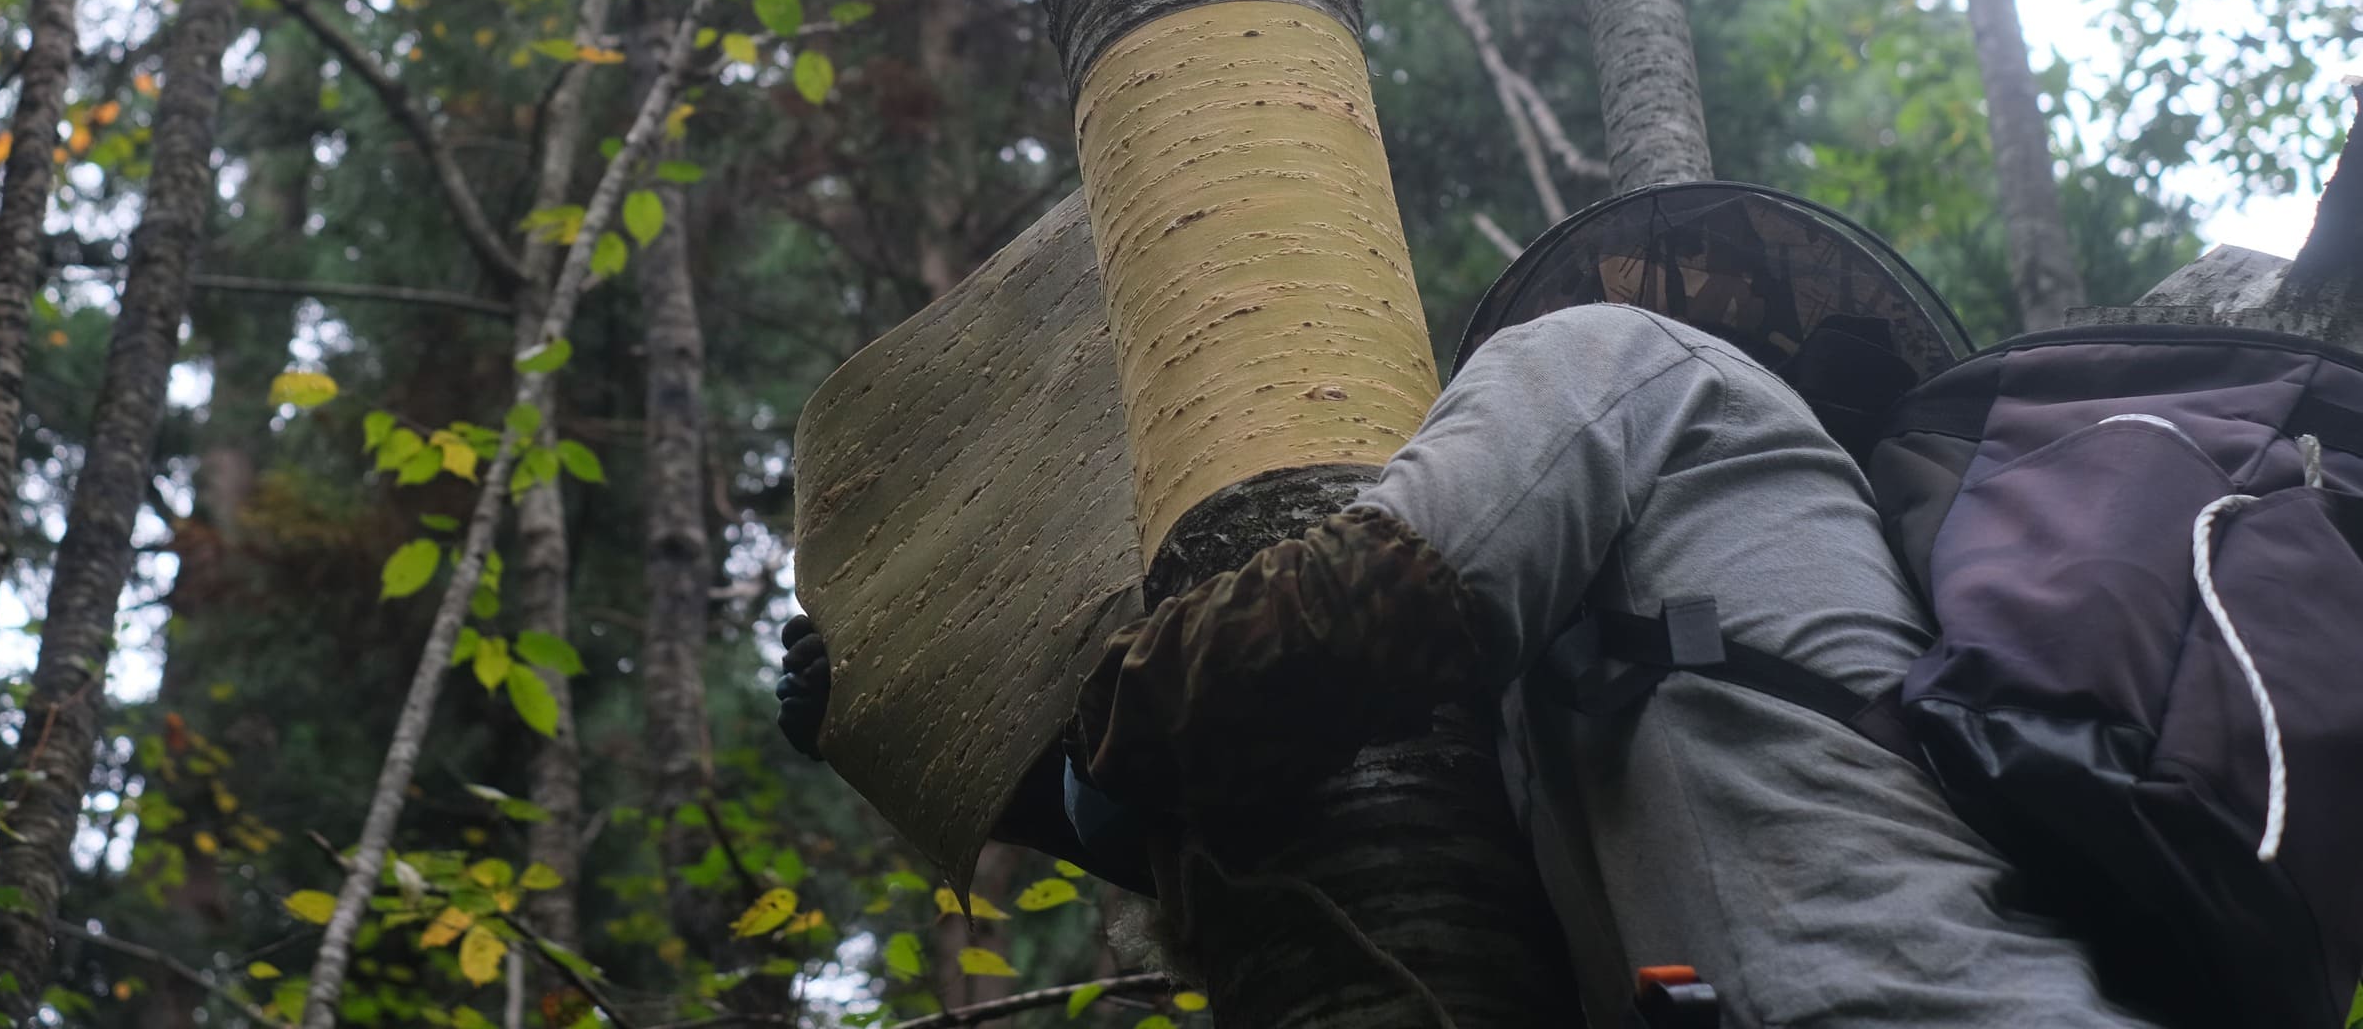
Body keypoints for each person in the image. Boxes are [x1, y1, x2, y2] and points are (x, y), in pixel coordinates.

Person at [782, 272, 2165, 1028]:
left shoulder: (1619, 349)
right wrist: (1024, 788)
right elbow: (1385, 861)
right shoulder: (1659, 654)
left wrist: (1022, 704)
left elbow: (1354, 609)